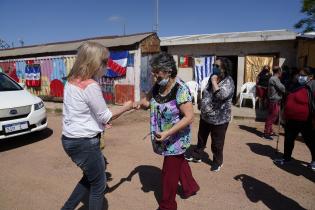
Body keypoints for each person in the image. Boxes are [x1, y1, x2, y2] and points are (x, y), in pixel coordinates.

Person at [61, 41, 134, 210]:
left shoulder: (72, 80)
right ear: (94, 62)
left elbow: (79, 110)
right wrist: (128, 106)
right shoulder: (90, 85)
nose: (107, 66)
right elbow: (106, 115)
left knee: (90, 177)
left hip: (70, 139)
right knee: (98, 186)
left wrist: (98, 123)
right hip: (84, 142)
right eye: (104, 62)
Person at [135, 52, 199, 210]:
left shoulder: (180, 90)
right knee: (180, 162)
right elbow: (146, 102)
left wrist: (168, 133)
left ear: (169, 71)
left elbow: (189, 117)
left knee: (168, 174)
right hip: (163, 136)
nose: (154, 74)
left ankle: (167, 206)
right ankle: (190, 187)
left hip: (175, 139)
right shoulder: (158, 86)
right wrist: (133, 105)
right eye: (153, 70)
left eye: (157, 71)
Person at [185, 57, 235, 172]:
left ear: (224, 68)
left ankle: (218, 162)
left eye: (217, 66)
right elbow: (206, 92)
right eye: (214, 65)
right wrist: (201, 103)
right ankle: (197, 155)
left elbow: (221, 96)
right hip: (206, 116)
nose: (214, 68)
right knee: (201, 138)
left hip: (219, 119)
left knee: (217, 142)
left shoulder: (228, 81)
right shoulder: (212, 78)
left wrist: (213, 82)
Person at [274, 68, 315, 171]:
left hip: (305, 120)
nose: (299, 77)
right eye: (299, 74)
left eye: (302, 75)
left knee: (310, 140)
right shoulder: (295, 85)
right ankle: (287, 158)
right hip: (290, 119)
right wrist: (283, 113)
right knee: (288, 139)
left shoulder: (312, 85)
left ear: (310, 77)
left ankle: (314, 161)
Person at [263, 66, 285, 140]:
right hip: (274, 100)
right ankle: (266, 133)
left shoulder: (274, 78)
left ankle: (270, 131)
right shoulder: (275, 79)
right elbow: (282, 88)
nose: (282, 73)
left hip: (274, 100)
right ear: (279, 71)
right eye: (281, 71)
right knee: (272, 117)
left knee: (272, 116)